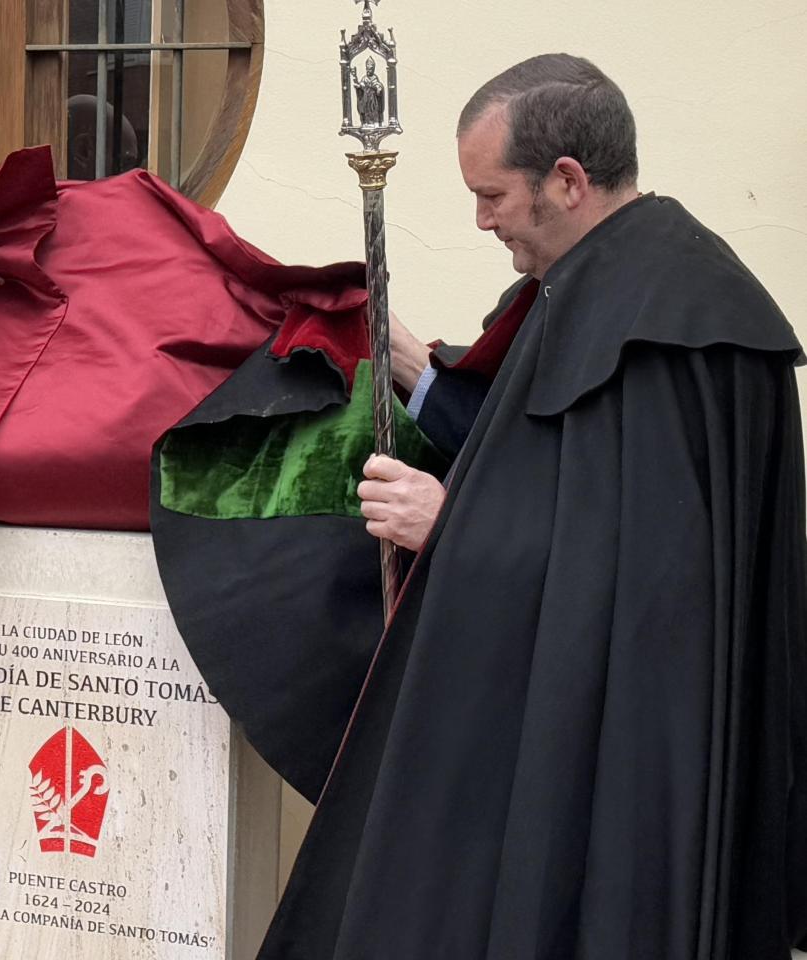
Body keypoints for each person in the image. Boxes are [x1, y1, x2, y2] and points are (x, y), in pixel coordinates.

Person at [263, 54, 807, 959]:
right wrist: (412, 365)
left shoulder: (665, 333)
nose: (480, 220)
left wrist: (451, 529)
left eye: (492, 196)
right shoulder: (625, 285)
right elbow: (557, 460)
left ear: (567, 181)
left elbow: (652, 590)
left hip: (630, 783)